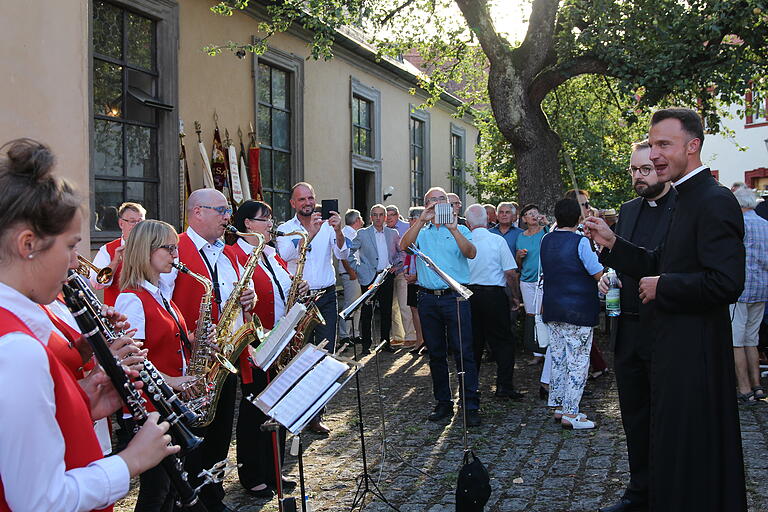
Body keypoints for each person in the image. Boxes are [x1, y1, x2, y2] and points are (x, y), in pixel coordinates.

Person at [585, 108, 747, 511]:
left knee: (692, 449)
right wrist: (613, 244)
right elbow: (659, 262)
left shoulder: (714, 200)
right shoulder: (681, 198)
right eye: (652, 143)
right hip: (672, 346)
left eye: (663, 145)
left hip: (696, 351)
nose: (655, 155)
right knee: (667, 443)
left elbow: (727, 282)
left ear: (692, 146)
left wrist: (667, 287)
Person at [0, 138, 175, 511]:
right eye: (69, 247)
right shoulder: (17, 347)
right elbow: (39, 502)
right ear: (28, 244)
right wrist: (130, 461)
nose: (74, 263)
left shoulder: (18, 328)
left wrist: (81, 401)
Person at [160, 188, 255, 512]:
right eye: (221, 210)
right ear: (197, 212)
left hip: (225, 360)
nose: (228, 217)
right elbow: (163, 306)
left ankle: (214, 498)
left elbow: (239, 295)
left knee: (218, 438)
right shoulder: (176, 251)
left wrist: (249, 300)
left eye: (228, 210)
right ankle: (191, 502)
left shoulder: (227, 253)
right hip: (193, 366)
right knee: (194, 441)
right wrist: (189, 337)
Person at [596, 140, 676, 512]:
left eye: (645, 170)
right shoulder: (628, 210)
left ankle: (669, 489)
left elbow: (664, 264)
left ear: (662, 168)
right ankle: (638, 490)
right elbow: (624, 262)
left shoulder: (682, 208)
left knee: (668, 417)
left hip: (666, 330)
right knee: (634, 414)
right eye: (633, 170)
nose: (639, 177)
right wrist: (610, 277)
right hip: (627, 329)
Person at [115, 219, 199, 512]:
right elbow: (131, 359)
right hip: (149, 407)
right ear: (146, 250)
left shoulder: (159, 293)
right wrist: (172, 381)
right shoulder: (132, 299)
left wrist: (196, 338)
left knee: (171, 491)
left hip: (166, 405)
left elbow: (170, 339)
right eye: (169, 248)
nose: (175, 255)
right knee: (157, 490)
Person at [230, 200, 304, 498]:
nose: (271, 224)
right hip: (257, 343)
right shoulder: (235, 255)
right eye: (265, 219)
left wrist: (300, 289)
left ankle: (275, 468)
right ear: (248, 223)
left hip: (281, 339)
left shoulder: (273, 255)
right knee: (254, 410)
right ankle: (252, 473)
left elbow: (282, 292)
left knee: (279, 406)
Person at [400, 187, 481, 427]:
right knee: (435, 353)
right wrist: (419, 221)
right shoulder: (421, 233)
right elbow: (404, 246)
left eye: (441, 199)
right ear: (426, 205)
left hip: (455, 297)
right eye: (431, 200)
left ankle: (470, 405)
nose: (436, 203)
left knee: (463, 352)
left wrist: (454, 229)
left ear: (449, 204)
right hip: (427, 298)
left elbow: (471, 253)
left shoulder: (461, 228)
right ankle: (443, 402)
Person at [276, 182, 348, 434]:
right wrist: (312, 235)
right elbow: (285, 256)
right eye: (302, 199)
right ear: (293, 203)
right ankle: (299, 412)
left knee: (324, 355)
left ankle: (316, 414)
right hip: (299, 300)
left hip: (326, 298)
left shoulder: (328, 225)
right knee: (300, 357)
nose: (308, 202)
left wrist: (338, 231)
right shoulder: (285, 230)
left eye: (311, 198)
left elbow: (342, 254)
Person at [540, 199, 603, 430]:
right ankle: (571, 412)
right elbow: (596, 273)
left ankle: (558, 405)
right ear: (578, 218)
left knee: (558, 359)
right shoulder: (581, 242)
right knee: (578, 361)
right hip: (578, 308)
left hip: (553, 307)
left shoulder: (546, 240)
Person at [464, 204, 522, 400]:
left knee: (473, 343)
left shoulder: (463, 241)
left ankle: (470, 387)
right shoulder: (497, 241)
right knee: (503, 342)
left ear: (468, 223)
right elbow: (510, 272)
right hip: (494, 295)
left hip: (469, 295)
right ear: (488, 219)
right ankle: (504, 386)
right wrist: (515, 296)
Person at [730, 188, 768, 403]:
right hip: (761, 289)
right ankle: (757, 386)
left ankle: (744, 389)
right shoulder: (765, 224)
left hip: (740, 291)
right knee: (751, 340)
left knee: (736, 341)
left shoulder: (739, 226)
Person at [349, 204, 402, 355]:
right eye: (375, 215)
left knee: (386, 311)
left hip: (387, 276)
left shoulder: (393, 233)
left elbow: (401, 253)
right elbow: (350, 253)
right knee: (367, 312)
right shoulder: (362, 233)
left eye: (381, 215)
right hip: (369, 277)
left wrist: (396, 266)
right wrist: (359, 269)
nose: (378, 218)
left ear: (385, 217)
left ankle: (385, 343)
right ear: (370, 217)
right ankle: (366, 345)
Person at [91, 202, 146, 306]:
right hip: (118, 315)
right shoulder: (107, 250)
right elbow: (97, 284)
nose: (137, 226)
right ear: (121, 223)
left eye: (140, 221)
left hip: (148, 312)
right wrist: (115, 262)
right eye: (132, 221)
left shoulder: (154, 248)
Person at [516, 204, 547, 363]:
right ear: (524, 219)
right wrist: (519, 256)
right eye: (530, 214)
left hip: (543, 280)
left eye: (536, 212)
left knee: (542, 314)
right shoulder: (521, 237)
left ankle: (546, 348)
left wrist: (547, 224)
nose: (534, 215)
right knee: (531, 315)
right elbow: (518, 265)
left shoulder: (545, 232)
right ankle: (537, 352)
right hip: (526, 280)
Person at [386, 205, 417, 345]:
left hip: (402, 271)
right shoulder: (384, 230)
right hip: (387, 274)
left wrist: (401, 267)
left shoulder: (406, 227)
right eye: (387, 215)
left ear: (398, 215)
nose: (389, 217)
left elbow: (408, 250)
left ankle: (411, 336)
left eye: (392, 214)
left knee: (405, 305)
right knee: (392, 306)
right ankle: (398, 336)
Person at [338, 209, 364, 344]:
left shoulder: (353, 233)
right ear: (357, 220)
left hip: (355, 273)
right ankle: (344, 335)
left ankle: (355, 333)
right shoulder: (347, 234)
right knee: (350, 304)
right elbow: (344, 256)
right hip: (351, 274)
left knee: (357, 304)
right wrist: (352, 272)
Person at [405, 207, 426, 354]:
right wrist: (407, 272)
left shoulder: (425, 234)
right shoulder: (411, 235)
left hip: (422, 280)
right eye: (410, 219)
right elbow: (407, 253)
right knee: (413, 309)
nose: (410, 221)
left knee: (423, 312)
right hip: (411, 277)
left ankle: (426, 341)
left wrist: (416, 276)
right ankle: (419, 340)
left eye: (412, 219)